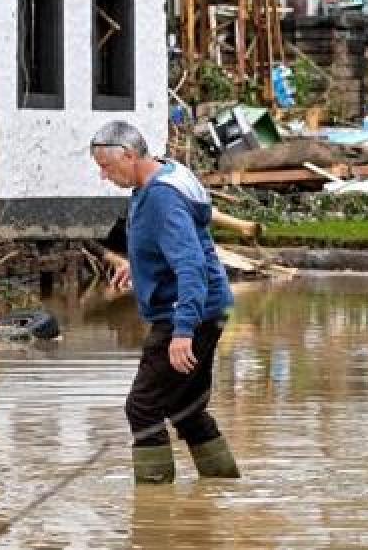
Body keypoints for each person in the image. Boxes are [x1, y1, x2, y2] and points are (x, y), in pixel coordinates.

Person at [89, 120, 239, 484]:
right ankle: (220, 487)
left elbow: (191, 265)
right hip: (207, 308)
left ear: (128, 155)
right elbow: (172, 244)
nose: (103, 177)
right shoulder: (162, 175)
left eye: (106, 167)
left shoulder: (162, 197)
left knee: (142, 408)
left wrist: (183, 330)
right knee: (185, 410)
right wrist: (138, 269)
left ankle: (153, 505)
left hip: (188, 313)